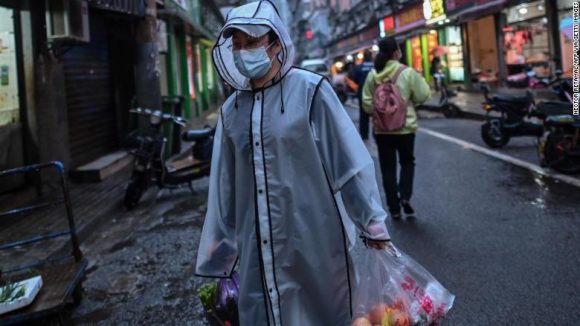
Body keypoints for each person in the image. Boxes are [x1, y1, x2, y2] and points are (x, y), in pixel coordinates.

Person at [196, 1, 393, 325]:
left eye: (252, 42)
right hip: (256, 251)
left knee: (325, 313)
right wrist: (222, 245)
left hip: (315, 243)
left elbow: (348, 166)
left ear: (275, 44)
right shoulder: (231, 113)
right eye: (237, 45)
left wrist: (372, 222)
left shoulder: (311, 92)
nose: (243, 51)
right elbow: (226, 186)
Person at [362, 37, 430, 219]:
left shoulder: (372, 76)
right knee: (407, 162)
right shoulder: (407, 72)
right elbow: (424, 95)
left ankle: (393, 209)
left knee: (387, 168)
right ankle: (405, 196)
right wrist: (408, 102)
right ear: (396, 53)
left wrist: (379, 112)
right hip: (405, 128)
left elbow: (366, 104)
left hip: (382, 130)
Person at [348, 50, 375, 140]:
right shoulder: (375, 66)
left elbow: (354, 79)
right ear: (371, 57)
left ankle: (364, 135)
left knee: (363, 115)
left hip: (362, 94)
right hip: (375, 94)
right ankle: (376, 134)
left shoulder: (358, 68)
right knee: (377, 114)